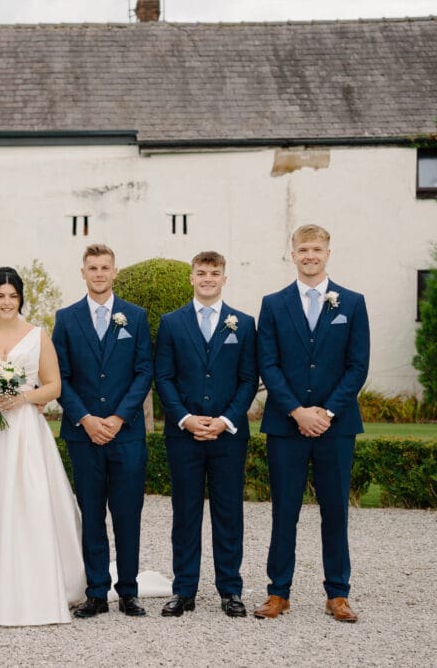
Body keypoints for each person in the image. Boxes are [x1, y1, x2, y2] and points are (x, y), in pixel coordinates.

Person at [0, 267, 84, 626]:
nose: (6, 302)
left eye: (13, 295)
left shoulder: (38, 335)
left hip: (23, 428)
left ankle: (32, 588)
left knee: (29, 503)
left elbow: (53, 386)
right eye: (0, 295)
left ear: (21, 298)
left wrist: (22, 397)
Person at [253, 224, 370, 623]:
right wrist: (297, 412)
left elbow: (357, 366)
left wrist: (326, 412)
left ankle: (337, 594)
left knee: (335, 510)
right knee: (285, 511)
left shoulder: (352, 303)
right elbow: (267, 363)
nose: (310, 255)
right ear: (292, 254)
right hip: (286, 427)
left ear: (328, 252)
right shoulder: (272, 304)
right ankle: (277, 593)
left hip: (336, 428)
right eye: (303, 249)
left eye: (316, 249)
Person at [51, 243, 153, 618]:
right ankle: (96, 592)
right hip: (83, 434)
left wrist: (119, 417)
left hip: (125, 434)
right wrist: (86, 418)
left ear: (114, 271)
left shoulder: (135, 317)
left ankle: (128, 591)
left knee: (127, 513)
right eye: (92, 267)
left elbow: (144, 370)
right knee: (91, 513)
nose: (98, 273)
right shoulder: (66, 317)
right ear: (83, 272)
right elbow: (59, 375)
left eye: (104, 267)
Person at [154, 251, 258, 618]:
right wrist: (185, 418)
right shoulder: (171, 323)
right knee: (185, 513)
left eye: (215, 273)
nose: (208, 278)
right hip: (184, 436)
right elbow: (163, 377)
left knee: (228, 513)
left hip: (228, 437)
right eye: (202, 273)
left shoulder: (243, 324)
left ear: (224, 278)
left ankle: (230, 589)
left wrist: (225, 419)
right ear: (192, 278)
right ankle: (184, 591)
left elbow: (248, 379)